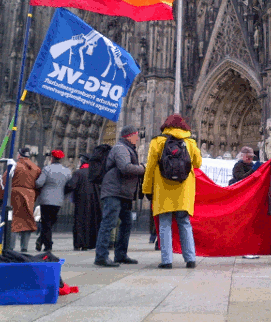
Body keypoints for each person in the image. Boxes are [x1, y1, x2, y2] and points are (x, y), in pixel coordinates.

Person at [142, 114, 202, 269]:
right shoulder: (189, 142)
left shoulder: (157, 141)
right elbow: (198, 163)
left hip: (164, 189)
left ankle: (167, 260)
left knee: (164, 224)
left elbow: (149, 168)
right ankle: (190, 259)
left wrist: (147, 189)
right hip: (183, 190)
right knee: (185, 223)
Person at [94, 125, 145, 267]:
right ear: (129, 136)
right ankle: (101, 256)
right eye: (136, 136)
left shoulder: (127, 148)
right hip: (114, 192)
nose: (138, 139)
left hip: (123, 193)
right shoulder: (120, 148)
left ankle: (121, 254)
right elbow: (125, 167)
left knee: (126, 223)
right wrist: (143, 169)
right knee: (109, 223)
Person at [0, 148, 41, 252]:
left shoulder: (14, 166)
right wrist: (34, 196)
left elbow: (4, 182)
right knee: (27, 220)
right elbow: (39, 185)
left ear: (19, 155)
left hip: (15, 195)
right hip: (30, 195)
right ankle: (24, 247)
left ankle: (10, 247)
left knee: (14, 221)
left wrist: (0, 197)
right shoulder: (36, 168)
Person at [35, 149, 71, 252]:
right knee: (50, 222)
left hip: (46, 200)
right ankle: (42, 240)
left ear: (52, 158)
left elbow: (39, 183)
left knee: (46, 222)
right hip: (58, 200)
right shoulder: (67, 171)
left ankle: (47, 245)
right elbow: (70, 185)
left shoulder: (47, 169)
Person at [65, 153, 102, 251]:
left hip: (81, 202)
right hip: (94, 202)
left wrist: (64, 190)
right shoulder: (95, 173)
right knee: (91, 222)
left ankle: (78, 244)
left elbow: (71, 185)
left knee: (80, 222)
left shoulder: (79, 173)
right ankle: (88, 244)